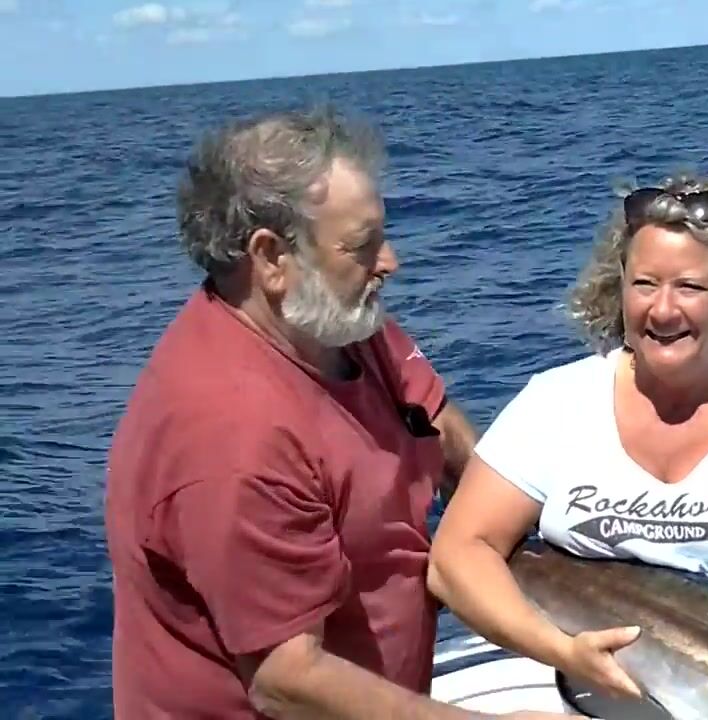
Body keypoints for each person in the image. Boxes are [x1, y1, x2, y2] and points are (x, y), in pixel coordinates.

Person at [103, 105, 579, 720]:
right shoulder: (233, 439)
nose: (390, 262)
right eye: (361, 246)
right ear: (271, 257)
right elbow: (288, 681)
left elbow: (436, 424)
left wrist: (544, 528)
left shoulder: (337, 324)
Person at [427, 171, 708, 702]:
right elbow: (457, 556)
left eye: (690, 287)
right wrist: (562, 651)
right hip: (561, 683)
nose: (662, 310)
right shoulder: (556, 401)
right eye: (644, 284)